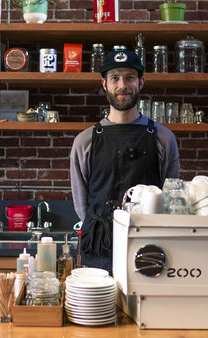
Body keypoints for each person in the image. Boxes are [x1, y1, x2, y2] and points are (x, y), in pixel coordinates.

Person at [69, 50, 180, 273]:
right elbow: (82, 206)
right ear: (104, 84)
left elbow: (170, 197)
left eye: (130, 77)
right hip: (99, 246)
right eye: (115, 78)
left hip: (149, 245)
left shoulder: (163, 138)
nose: (122, 85)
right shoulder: (84, 141)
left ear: (141, 82)